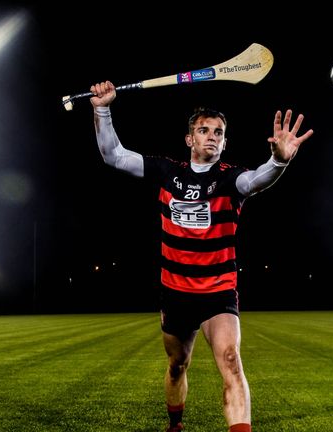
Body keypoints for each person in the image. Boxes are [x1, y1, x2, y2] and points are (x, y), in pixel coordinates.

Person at [89, 80, 313, 432]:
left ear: (225, 142)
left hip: (217, 292)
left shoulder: (231, 180)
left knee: (230, 359)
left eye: (219, 132)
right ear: (189, 139)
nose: (211, 136)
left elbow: (257, 180)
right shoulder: (167, 172)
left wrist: (278, 161)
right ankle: (175, 424)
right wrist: (102, 108)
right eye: (203, 130)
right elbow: (113, 155)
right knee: (178, 364)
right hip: (175, 292)